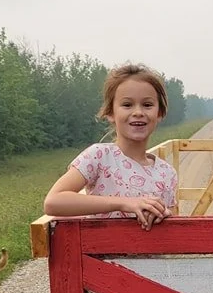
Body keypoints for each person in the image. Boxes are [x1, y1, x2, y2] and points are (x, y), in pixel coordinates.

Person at [43, 64, 177, 229]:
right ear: (111, 113)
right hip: (98, 254)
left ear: (160, 114)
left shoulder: (167, 173)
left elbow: (172, 224)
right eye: (127, 105)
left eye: (147, 105)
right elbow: (53, 202)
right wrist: (125, 204)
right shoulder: (99, 156)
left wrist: (163, 214)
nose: (138, 112)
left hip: (149, 254)